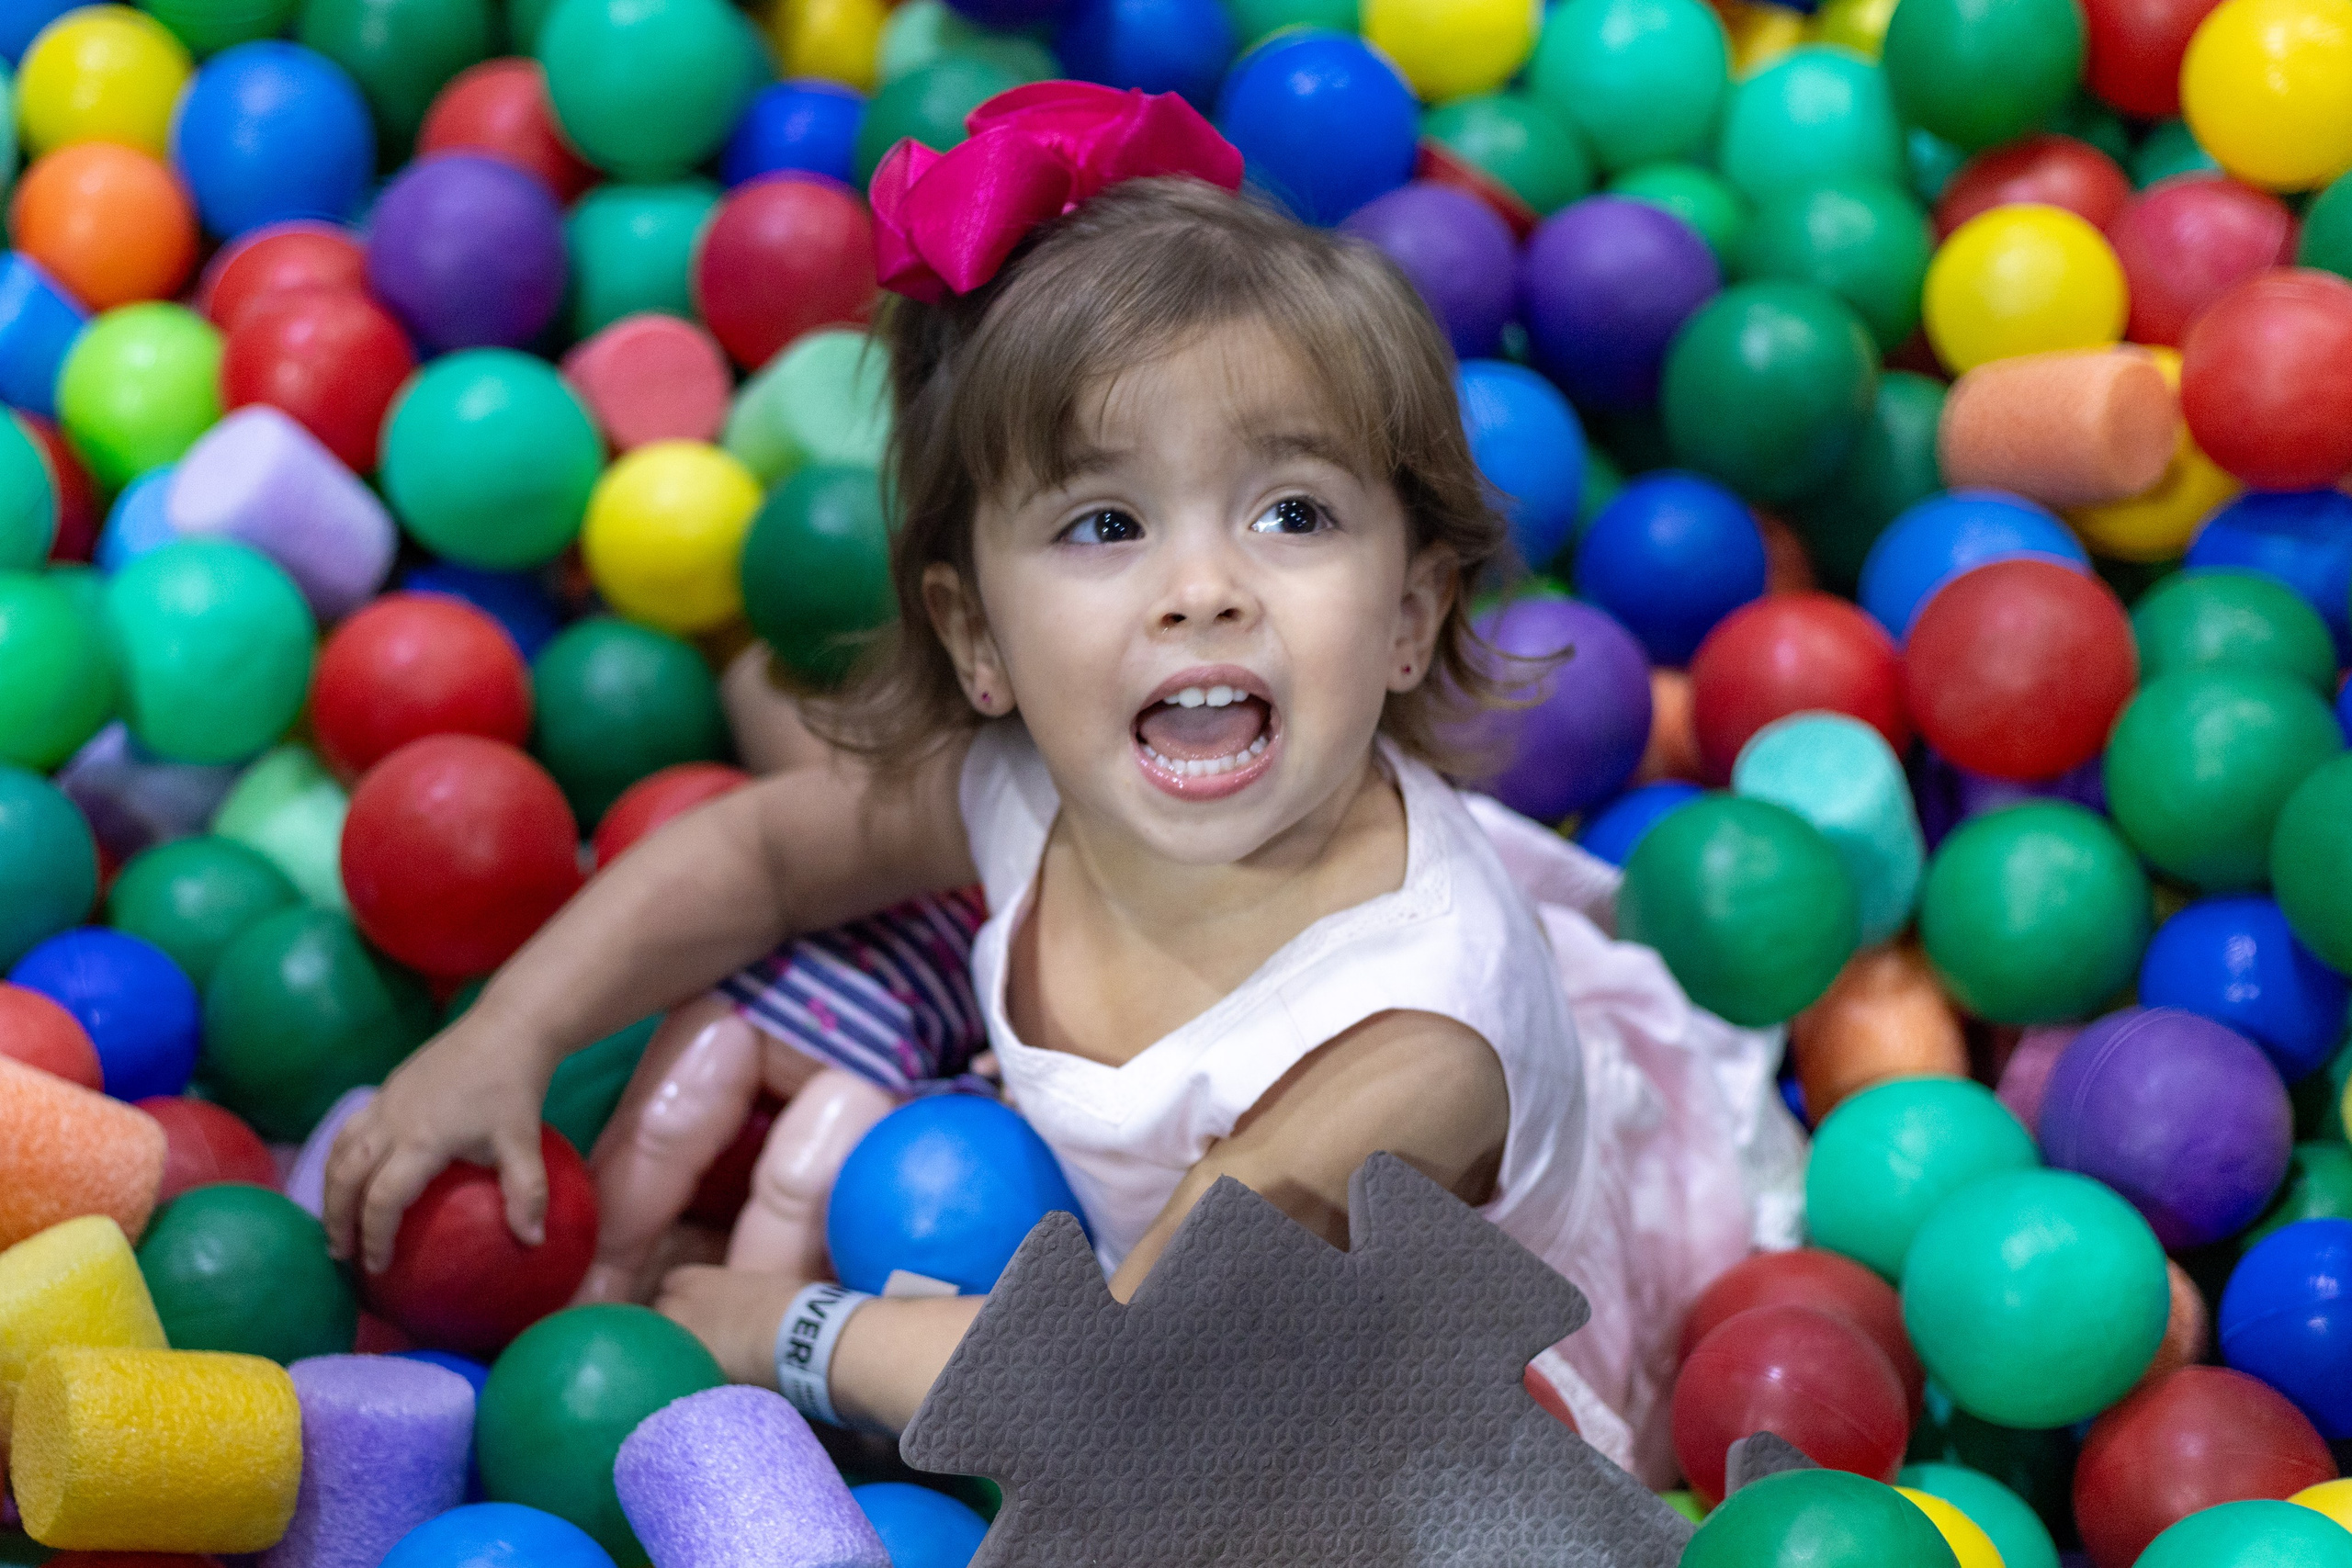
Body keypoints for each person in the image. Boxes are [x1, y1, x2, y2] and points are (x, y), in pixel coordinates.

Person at [324, 82, 1800, 1484]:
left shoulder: (1411, 1046)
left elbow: (1117, 1386)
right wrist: (506, 1033)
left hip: (1377, 1389)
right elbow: (763, 859)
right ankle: (756, 679)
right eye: (1105, 524)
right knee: (824, 819)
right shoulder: (1028, 776)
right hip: (1135, 1293)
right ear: (981, 640)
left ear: (1411, 616)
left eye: (1291, 512)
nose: (1203, 587)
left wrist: (773, 1329)